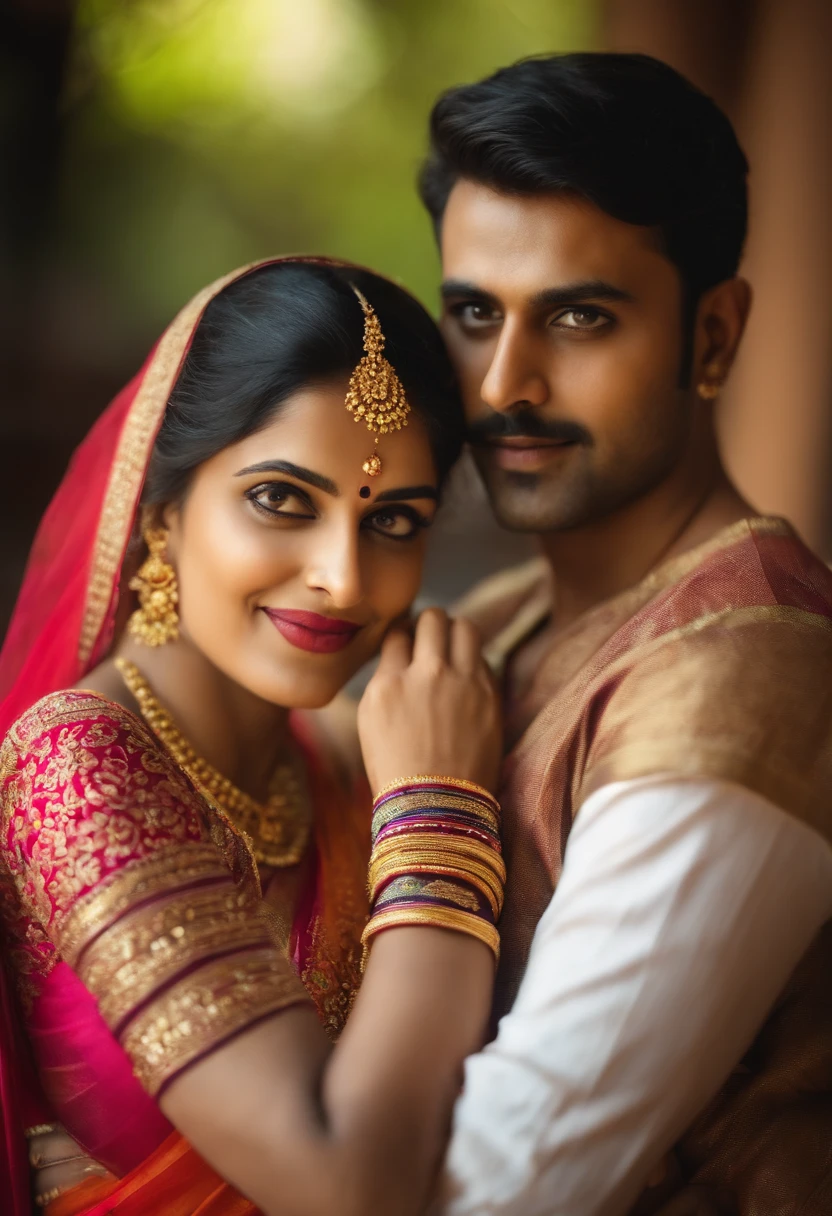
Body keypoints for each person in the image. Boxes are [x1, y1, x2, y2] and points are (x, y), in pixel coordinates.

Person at [410, 51, 832, 1216]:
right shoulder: (498, 625)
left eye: (580, 318)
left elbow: (505, 1184)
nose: (506, 383)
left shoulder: (746, 675)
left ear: (712, 335)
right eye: (473, 315)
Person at [0, 256, 505, 1216]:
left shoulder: (332, 759)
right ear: (162, 512)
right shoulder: (80, 763)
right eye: (282, 499)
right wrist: (442, 812)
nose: (345, 579)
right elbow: (347, 1183)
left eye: (394, 520)